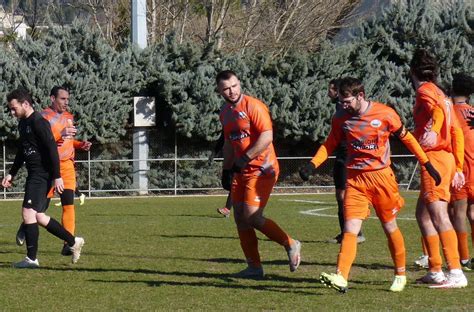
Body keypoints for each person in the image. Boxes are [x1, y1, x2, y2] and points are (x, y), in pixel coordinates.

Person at [299, 77, 441, 292]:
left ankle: (400, 273)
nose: (343, 105)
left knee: (389, 226)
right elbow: (330, 143)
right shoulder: (340, 118)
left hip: (382, 178)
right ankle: (341, 277)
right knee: (350, 228)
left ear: (360, 96)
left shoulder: (385, 113)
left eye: (347, 101)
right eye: (341, 101)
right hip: (355, 180)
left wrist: (427, 164)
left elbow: (408, 138)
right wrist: (312, 164)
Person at [217, 70, 301, 278]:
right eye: (226, 88)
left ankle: (290, 243)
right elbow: (229, 143)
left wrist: (244, 159)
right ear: (220, 91)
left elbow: (266, 137)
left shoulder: (254, 106)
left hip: (262, 169)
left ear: (239, 84)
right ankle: (254, 267)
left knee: (252, 217)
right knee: (240, 218)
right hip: (241, 171)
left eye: (234, 86)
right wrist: (226, 170)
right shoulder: (225, 112)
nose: (232, 91)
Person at [2, 88, 85, 268]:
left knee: (27, 212)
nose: (12, 112)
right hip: (34, 174)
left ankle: (32, 259)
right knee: (38, 216)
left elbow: (52, 150)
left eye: (14, 108)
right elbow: (22, 151)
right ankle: (73, 241)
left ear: (25, 104)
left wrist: (57, 177)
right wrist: (12, 172)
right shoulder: (23, 124)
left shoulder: (39, 122)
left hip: (42, 174)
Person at [409, 48, 468, 288]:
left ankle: (455, 271)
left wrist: (432, 131)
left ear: (412, 71)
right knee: (423, 215)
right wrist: (459, 166)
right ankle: (435, 269)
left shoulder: (425, 91)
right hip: (445, 158)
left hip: (434, 158)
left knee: (439, 215)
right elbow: (456, 131)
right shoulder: (443, 94)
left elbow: (435, 114)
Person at [326, 79, 365, 244]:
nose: (328, 92)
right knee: (340, 196)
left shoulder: (346, 109)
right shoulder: (339, 111)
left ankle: (354, 232)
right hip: (341, 157)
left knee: (344, 196)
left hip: (347, 157)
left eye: (330, 89)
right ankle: (347, 233)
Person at [448, 73, 474, 271]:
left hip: (461, 168)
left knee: (458, 213)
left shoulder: (450, 112)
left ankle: (464, 257)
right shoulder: (472, 112)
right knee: (473, 213)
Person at [210, 132, 232, 217]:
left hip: (242, 159)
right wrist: (214, 153)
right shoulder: (227, 123)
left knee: (234, 185)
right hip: (229, 159)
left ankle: (227, 209)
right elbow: (222, 139)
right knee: (226, 184)